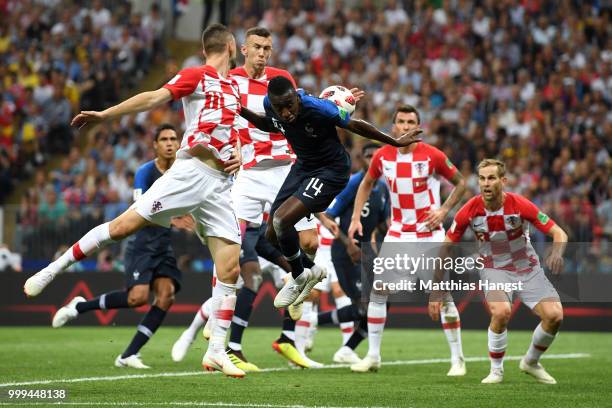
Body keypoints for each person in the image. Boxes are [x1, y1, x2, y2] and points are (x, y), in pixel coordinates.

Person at [24, 24, 245, 378]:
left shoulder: (234, 88)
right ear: (230, 46)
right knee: (122, 226)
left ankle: (217, 349)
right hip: (191, 174)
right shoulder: (196, 75)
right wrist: (106, 114)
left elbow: (234, 132)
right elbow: (154, 98)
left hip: (220, 183)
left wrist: (238, 155)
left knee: (231, 267)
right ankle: (53, 269)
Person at [171, 26, 320, 371]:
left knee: (310, 241)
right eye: (257, 47)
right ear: (242, 50)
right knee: (229, 247)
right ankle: (215, 327)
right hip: (248, 174)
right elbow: (216, 120)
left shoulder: (282, 79)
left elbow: (296, 116)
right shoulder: (229, 81)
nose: (263, 53)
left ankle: (295, 284)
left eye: (268, 47)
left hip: (285, 168)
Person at [239, 77, 422, 313]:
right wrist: (241, 110)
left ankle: (299, 276)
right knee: (272, 234)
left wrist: (394, 141)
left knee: (281, 220)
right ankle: (310, 270)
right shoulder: (270, 104)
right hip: (303, 167)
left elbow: (355, 125)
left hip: (331, 171)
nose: (285, 112)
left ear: (296, 96)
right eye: (279, 108)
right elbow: (271, 124)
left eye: (289, 105)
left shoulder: (318, 108)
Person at [51, 124, 190, 369]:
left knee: (166, 295)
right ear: (155, 145)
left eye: (173, 138)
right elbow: (141, 207)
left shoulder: (183, 171)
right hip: (142, 242)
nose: (170, 143)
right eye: (164, 139)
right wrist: (175, 216)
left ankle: (128, 354)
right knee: (137, 299)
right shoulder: (145, 172)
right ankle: (80, 306)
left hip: (164, 243)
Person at [348, 105, 467, 375]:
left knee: (442, 296)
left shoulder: (432, 155)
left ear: (418, 127)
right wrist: (356, 218)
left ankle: (457, 359)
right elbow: (366, 183)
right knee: (378, 290)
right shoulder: (382, 156)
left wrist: (444, 210)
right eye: (400, 121)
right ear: (393, 127)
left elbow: (461, 182)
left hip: (429, 234)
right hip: (399, 232)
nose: (405, 126)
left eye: (410, 122)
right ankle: (373, 356)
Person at [430, 159, 566, 384]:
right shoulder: (469, 210)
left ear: (503, 181)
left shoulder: (520, 204)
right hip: (494, 268)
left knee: (555, 316)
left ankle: (531, 362)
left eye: (491, 178)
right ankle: (496, 370)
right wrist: (436, 289)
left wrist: (557, 253)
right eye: (482, 178)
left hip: (527, 268)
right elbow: (444, 248)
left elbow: (559, 233)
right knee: (502, 311)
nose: (486, 183)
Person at [316, 142, 390, 364]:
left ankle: (341, 345)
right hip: (345, 254)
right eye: (369, 156)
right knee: (367, 304)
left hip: (368, 254)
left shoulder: (384, 188)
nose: (374, 160)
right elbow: (327, 215)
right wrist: (348, 244)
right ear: (362, 158)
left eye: (378, 156)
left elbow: (384, 223)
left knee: (378, 304)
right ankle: (313, 323)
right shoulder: (354, 183)